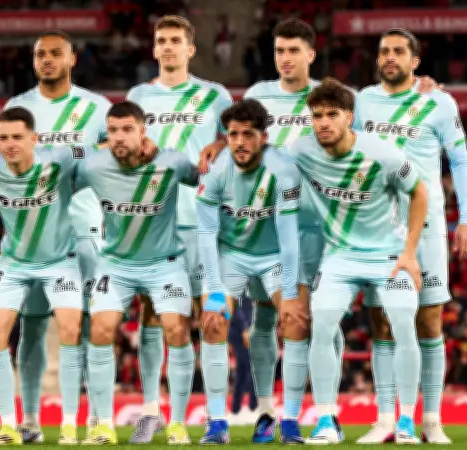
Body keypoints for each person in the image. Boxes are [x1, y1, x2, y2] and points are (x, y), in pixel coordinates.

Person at [197, 19, 441, 443]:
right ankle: (273, 413)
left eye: (294, 50)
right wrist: (226, 144)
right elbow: (250, 140)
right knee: (273, 320)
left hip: (336, 235)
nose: (285, 58)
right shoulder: (263, 102)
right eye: (279, 50)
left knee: (324, 321)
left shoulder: (351, 108)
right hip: (280, 228)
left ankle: (379, 418)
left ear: (311, 54)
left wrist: (422, 88)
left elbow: (391, 121)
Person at [285, 78, 428, 444]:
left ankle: (406, 421)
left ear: (349, 117)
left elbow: (419, 192)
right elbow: (261, 158)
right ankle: (326, 421)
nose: (323, 123)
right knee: (321, 327)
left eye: (332, 115)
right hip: (340, 256)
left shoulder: (383, 154)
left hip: (388, 256)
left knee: (403, 325)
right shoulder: (301, 150)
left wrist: (410, 252)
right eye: (317, 116)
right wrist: (220, 146)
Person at [355, 28, 467, 445]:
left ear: (415, 61)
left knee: (429, 319)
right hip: (377, 227)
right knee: (381, 320)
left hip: (427, 226)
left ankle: (432, 420)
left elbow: (460, 161)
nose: (389, 57)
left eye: (398, 51)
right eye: (383, 51)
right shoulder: (362, 101)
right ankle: (386, 419)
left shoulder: (439, 102)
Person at [124, 16, 233, 443]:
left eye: (175, 40)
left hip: (203, 219)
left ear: (190, 49)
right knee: (153, 316)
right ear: (154, 50)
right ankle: (152, 411)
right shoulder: (138, 96)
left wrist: (220, 143)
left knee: (211, 318)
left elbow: (238, 141)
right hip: (153, 220)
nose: (167, 46)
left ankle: (215, 417)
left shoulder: (215, 95)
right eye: (161, 41)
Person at [2, 30, 112, 442]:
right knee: (32, 328)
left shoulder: (97, 108)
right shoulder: (18, 108)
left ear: (72, 59)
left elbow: (111, 164)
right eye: (40, 54)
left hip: (85, 231)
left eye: (55, 53)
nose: (46, 60)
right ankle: (30, 420)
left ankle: (97, 419)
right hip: (32, 234)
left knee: (92, 326)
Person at [80, 101, 199, 445]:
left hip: (165, 263)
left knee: (176, 329)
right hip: (115, 264)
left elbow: (205, 178)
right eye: (113, 130)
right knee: (101, 329)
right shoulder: (93, 166)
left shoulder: (172, 162)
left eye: (127, 129)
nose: (119, 137)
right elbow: (55, 173)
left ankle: (177, 423)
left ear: (143, 131)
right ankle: (103, 424)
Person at [0, 107, 88, 445]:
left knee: (70, 330)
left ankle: (69, 425)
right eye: (3, 138)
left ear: (34, 138)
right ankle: (9, 426)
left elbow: (95, 151)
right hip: (14, 262)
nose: (10, 144)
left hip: (60, 260)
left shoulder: (59, 157)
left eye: (17, 137)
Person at [195, 99, 303, 444]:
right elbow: (206, 233)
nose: (239, 142)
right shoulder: (215, 171)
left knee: (296, 321)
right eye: (233, 135)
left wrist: (290, 293)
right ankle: (216, 422)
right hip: (232, 255)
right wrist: (214, 292)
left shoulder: (283, 169)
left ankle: (286, 419)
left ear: (264, 137)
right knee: (213, 322)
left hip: (274, 254)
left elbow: (289, 234)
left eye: (248, 135)